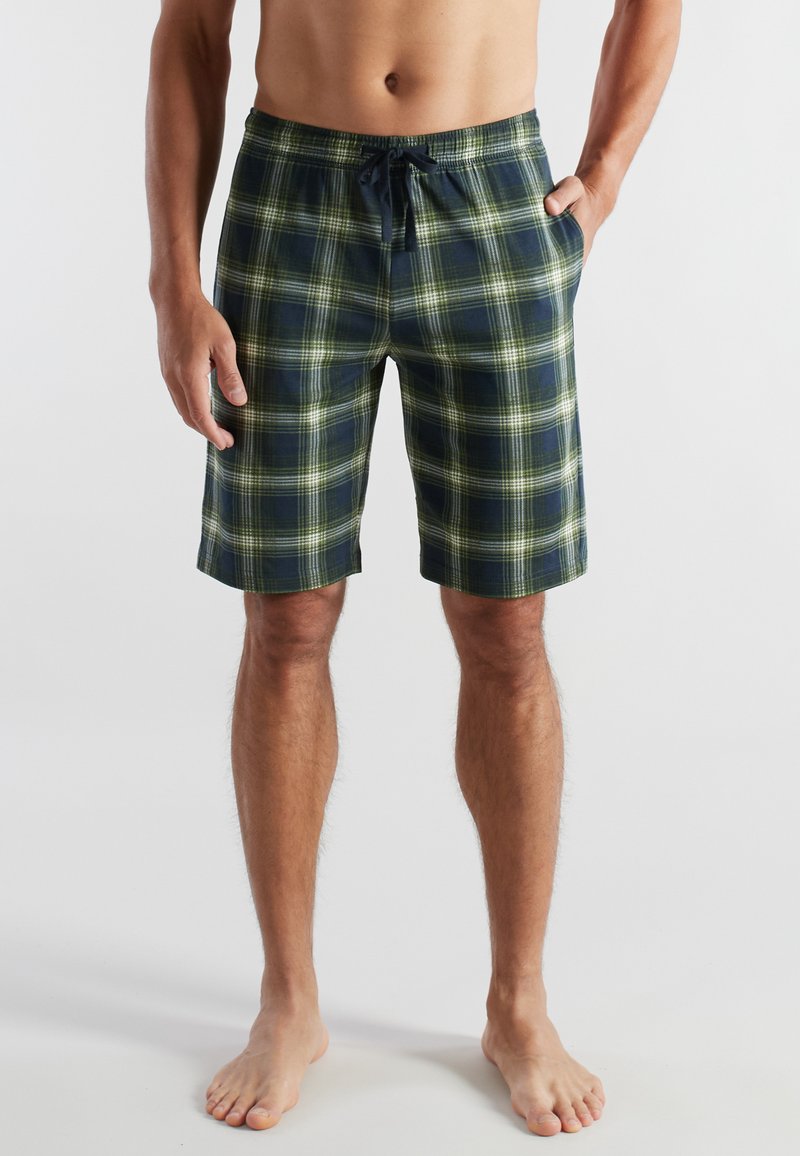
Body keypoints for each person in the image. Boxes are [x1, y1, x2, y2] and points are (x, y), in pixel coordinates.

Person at [145, 0, 681, 1135]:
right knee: (286, 618)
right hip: (293, 199)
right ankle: (288, 1002)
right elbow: (191, 30)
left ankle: (518, 1005)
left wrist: (605, 174)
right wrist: (172, 281)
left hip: (495, 198)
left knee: (508, 626)